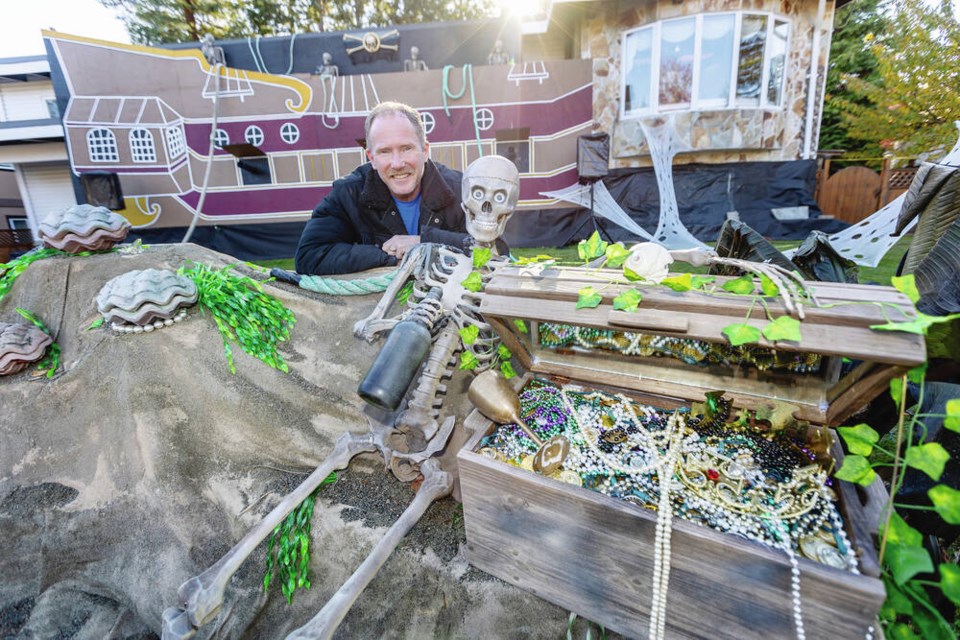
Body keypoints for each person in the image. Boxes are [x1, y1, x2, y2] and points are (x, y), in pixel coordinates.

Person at [294, 101, 473, 275]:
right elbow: (310, 255)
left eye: (406, 148)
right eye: (384, 152)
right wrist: (387, 257)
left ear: (424, 150)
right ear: (371, 158)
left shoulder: (463, 190)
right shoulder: (348, 193)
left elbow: (495, 249)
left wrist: (425, 243)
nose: (397, 163)